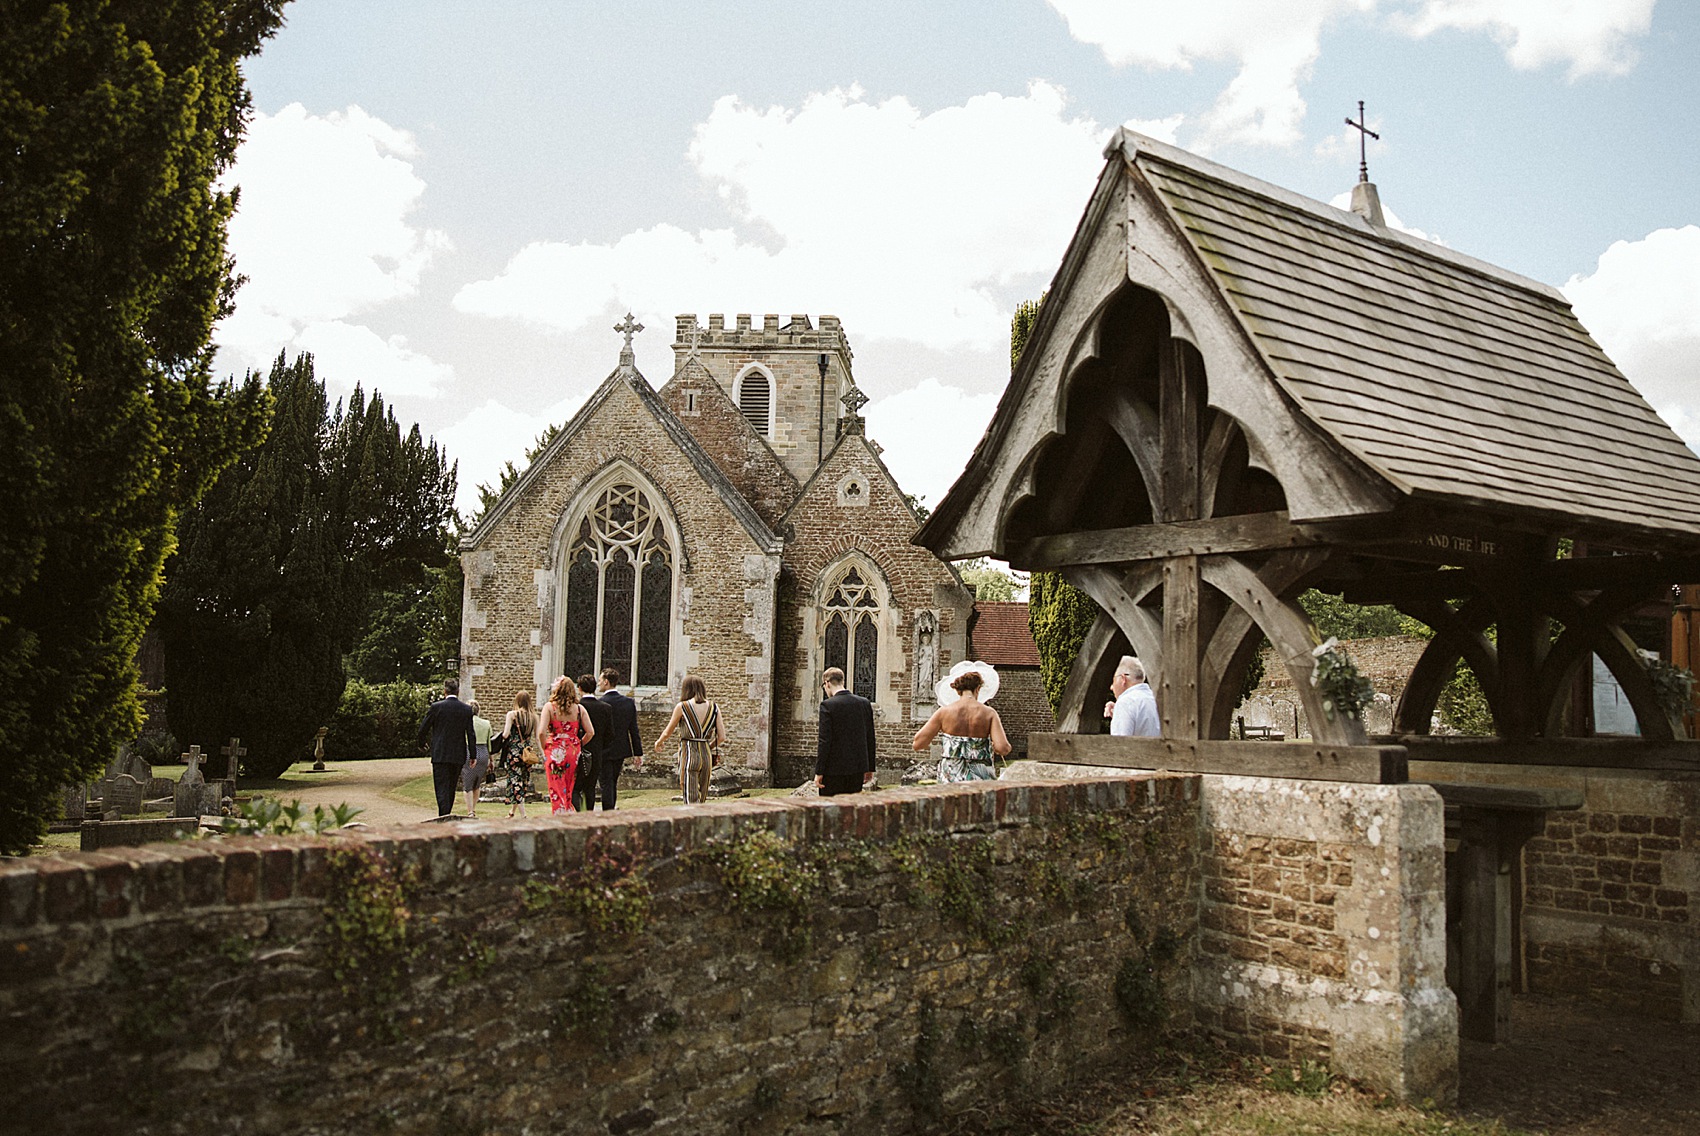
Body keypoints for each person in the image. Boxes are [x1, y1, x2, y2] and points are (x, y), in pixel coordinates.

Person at [912, 668, 1010, 781]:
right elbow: (1003, 748)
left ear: (958, 691)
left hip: (951, 776)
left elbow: (918, 744)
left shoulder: (944, 712)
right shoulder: (989, 713)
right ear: (978, 689)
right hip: (980, 776)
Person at [655, 674, 724, 804]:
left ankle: (691, 823)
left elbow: (668, 731)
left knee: (690, 799)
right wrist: (708, 747)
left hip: (689, 754)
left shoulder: (682, 707)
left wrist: (659, 742)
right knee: (701, 799)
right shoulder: (714, 707)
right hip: (706, 756)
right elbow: (722, 737)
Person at [416, 678, 477, 817]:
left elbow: (423, 729)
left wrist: (421, 744)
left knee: (441, 786)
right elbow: (471, 734)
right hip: (457, 754)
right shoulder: (466, 709)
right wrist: (473, 755)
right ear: (458, 691)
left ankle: (443, 815)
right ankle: (446, 813)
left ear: (445, 691)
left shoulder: (436, 707)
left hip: (440, 753)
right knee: (451, 787)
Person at [815, 666, 876, 796]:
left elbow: (824, 740)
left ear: (827, 683)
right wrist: (870, 768)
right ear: (842, 681)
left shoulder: (827, 705)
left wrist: (819, 771)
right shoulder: (864, 703)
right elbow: (870, 737)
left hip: (833, 771)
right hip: (857, 770)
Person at [540, 676, 595, 814]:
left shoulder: (549, 707)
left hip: (554, 750)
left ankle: (559, 814)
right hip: (572, 751)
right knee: (569, 787)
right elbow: (590, 732)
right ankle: (568, 811)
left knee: (556, 788)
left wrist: (544, 747)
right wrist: (577, 743)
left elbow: (541, 732)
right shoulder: (578, 709)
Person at [594, 667, 644, 810]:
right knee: (612, 781)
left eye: (600, 680)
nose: (598, 684)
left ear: (606, 682)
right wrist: (637, 752)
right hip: (621, 748)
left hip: (603, 749)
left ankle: (608, 811)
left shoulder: (601, 703)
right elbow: (633, 730)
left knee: (606, 782)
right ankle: (610, 808)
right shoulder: (628, 703)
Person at [573, 673, 613, 813]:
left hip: (577, 752)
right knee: (590, 787)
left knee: (576, 788)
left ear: (579, 688)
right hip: (596, 753)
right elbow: (610, 735)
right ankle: (589, 815)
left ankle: (578, 814)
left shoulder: (576, 708)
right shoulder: (606, 708)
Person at [497, 690, 539, 819]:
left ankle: (523, 815)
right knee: (523, 780)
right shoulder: (534, 717)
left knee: (515, 781)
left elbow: (505, 734)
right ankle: (512, 812)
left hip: (514, 752)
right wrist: (542, 754)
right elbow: (537, 738)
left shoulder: (512, 715)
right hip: (527, 753)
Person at [1104, 656, 1161, 737]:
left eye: (1113, 680)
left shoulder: (1125, 703)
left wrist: (1120, 712)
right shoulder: (1156, 699)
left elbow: (1119, 745)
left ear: (1123, 679)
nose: (1111, 687)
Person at [463, 700, 493, 818]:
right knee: (477, 784)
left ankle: (470, 811)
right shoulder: (486, 723)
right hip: (483, 753)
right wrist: (491, 759)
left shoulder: (465, 722)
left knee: (467, 784)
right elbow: (489, 743)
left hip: (469, 751)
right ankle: (473, 809)